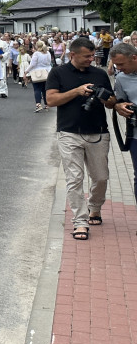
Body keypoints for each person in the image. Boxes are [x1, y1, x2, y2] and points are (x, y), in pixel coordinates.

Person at [46, 38, 115, 241]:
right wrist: (76, 91)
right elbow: (50, 100)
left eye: (93, 56)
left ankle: (94, 207)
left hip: (98, 132)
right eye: (87, 56)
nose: (91, 59)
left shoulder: (99, 73)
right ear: (72, 55)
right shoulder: (58, 73)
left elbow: (112, 103)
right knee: (74, 179)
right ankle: (80, 221)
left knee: (101, 177)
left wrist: (105, 97)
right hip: (69, 133)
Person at [110, 43, 137, 204]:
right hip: (135, 135)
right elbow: (119, 102)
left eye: (121, 64)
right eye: (116, 65)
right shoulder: (121, 78)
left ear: (134, 57)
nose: (119, 68)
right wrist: (118, 106)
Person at [25, 40, 53, 112]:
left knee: (37, 89)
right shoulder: (48, 53)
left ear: (37, 46)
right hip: (47, 72)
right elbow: (49, 62)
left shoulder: (36, 54)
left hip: (37, 72)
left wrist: (26, 71)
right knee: (44, 89)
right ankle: (46, 104)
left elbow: (33, 64)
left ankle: (38, 104)